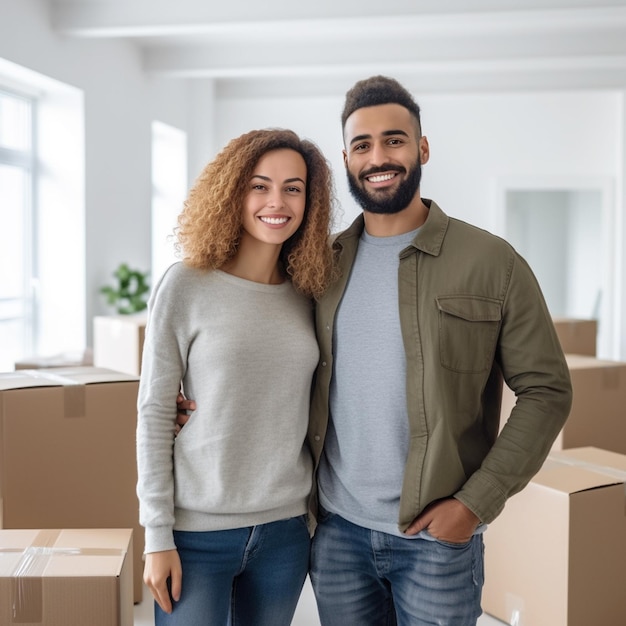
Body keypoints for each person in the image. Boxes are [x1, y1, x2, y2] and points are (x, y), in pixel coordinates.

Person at [178, 76, 573, 625]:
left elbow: (547, 390)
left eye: (395, 140)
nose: (378, 156)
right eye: (362, 145)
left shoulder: (492, 262)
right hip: (337, 535)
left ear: (422, 148)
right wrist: (189, 402)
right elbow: (262, 350)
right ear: (345, 158)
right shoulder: (319, 265)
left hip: (437, 541)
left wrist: (476, 502)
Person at [136, 128, 337, 626]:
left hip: (285, 532)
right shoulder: (186, 283)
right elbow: (156, 412)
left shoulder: (310, 294)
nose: (277, 201)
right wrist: (157, 536)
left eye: (293, 188)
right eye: (260, 185)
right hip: (196, 534)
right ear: (233, 192)